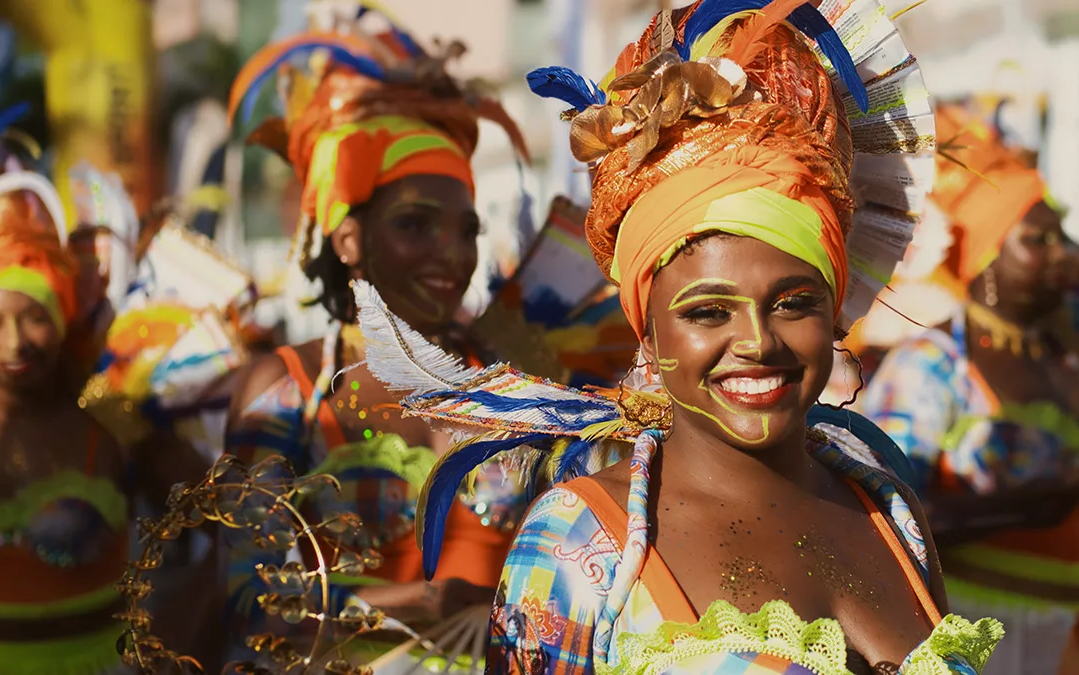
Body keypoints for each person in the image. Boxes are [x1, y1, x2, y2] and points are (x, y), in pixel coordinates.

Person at [353, 2, 1006, 673]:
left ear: (836, 306)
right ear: (648, 326)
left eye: (793, 302)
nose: (756, 340)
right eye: (708, 311)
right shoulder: (578, 539)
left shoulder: (886, 505)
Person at [219, 2, 530, 664]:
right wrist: (422, 604)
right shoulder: (286, 391)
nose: (451, 252)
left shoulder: (513, 380)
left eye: (466, 229)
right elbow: (251, 596)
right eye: (416, 224)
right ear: (350, 239)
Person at [0, 115, 198, 675]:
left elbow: (216, 516)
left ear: (62, 317)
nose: (13, 344)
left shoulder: (107, 418)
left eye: (34, 318)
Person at [863, 104, 1079, 675]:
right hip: (984, 636)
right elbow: (883, 517)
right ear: (986, 261)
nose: (1068, 253)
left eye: (1063, 235)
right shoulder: (931, 367)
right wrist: (1019, 510)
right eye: (1040, 239)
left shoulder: (1069, 353)